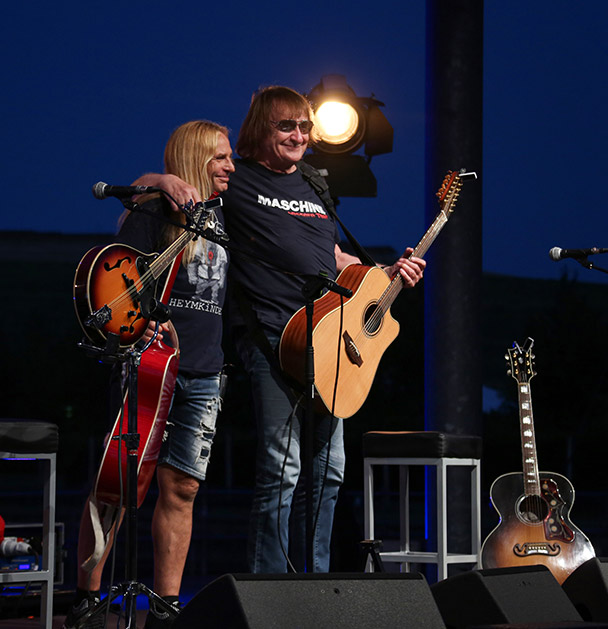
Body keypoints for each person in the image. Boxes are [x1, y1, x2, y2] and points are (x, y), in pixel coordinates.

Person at [143, 86, 425, 574]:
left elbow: (333, 258)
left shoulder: (314, 184)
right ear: (261, 130)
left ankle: (313, 583)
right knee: (282, 470)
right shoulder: (239, 178)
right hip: (272, 339)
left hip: (330, 343)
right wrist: (165, 179)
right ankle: (269, 590)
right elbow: (149, 189)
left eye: (304, 126)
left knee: (329, 473)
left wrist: (386, 273)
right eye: (285, 126)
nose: (298, 135)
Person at [64, 120, 234, 629]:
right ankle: (88, 598)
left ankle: (165, 606)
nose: (230, 166)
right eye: (220, 157)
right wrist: (159, 182)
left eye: (230, 158)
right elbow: (117, 275)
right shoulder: (154, 209)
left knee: (182, 488)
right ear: (194, 158)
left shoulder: (228, 215)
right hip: (149, 363)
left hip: (204, 370)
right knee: (115, 485)